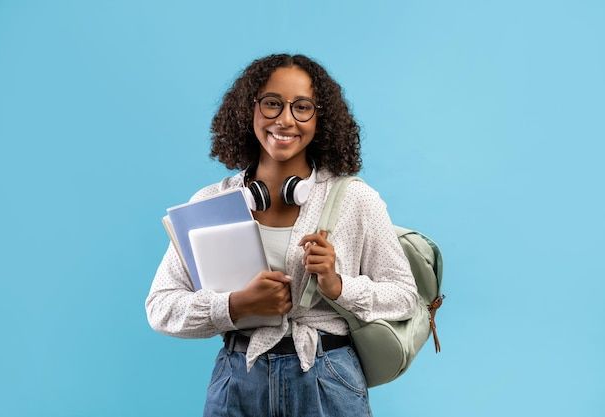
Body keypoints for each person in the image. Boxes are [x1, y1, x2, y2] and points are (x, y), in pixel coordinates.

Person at [145, 53, 418, 417]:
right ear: (250, 110)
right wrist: (236, 305)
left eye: (302, 107)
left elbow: (404, 297)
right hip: (238, 379)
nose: (285, 120)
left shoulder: (354, 199)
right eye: (272, 104)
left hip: (327, 378)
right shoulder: (211, 204)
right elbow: (161, 307)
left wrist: (338, 285)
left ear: (320, 118)